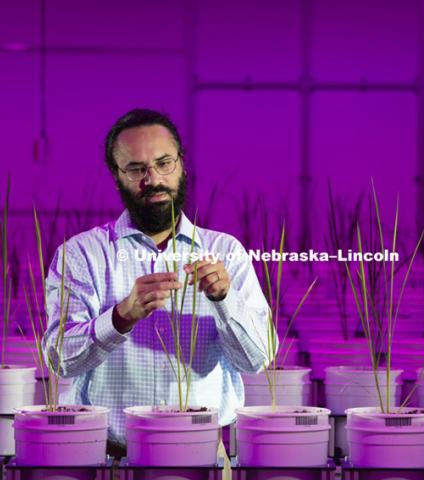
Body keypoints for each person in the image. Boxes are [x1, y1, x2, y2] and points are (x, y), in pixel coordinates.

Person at [42, 109, 273, 448]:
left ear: (181, 164)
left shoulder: (225, 251)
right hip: (108, 454)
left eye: (164, 163)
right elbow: (60, 359)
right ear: (117, 175)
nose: (153, 179)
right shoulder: (81, 254)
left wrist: (225, 299)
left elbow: (257, 360)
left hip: (204, 451)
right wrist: (121, 317)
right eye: (136, 169)